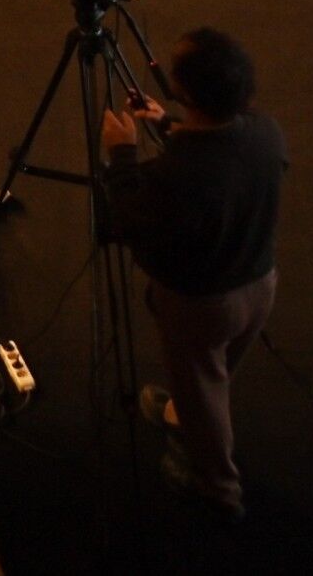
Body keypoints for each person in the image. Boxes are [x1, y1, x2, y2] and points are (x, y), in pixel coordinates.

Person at [99, 28, 285, 520]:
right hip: (260, 283)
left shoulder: (175, 175)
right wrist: (168, 124)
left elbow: (127, 222)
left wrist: (121, 154)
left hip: (202, 305)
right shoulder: (266, 133)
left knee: (205, 389)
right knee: (214, 374)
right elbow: (218, 158)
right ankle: (183, 412)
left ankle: (218, 490)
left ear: (186, 90)